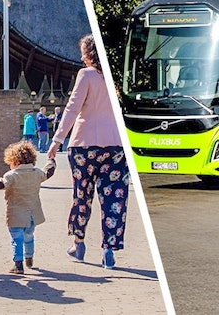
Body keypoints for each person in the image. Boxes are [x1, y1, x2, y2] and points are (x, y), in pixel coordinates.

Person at [47, 34, 128, 270]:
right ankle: (109, 250)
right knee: (114, 198)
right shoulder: (114, 79)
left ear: (90, 53)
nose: (81, 56)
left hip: (84, 145)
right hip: (115, 147)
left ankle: (78, 243)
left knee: (82, 195)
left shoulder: (87, 75)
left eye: (84, 52)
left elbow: (72, 109)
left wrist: (57, 140)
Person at [0, 141, 56, 274]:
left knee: (16, 238)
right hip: (32, 214)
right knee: (29, 236)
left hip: (15, 214)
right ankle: (29, 257)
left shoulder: (11, 176)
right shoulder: (37, 173)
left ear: (14, 161)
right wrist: (51, 160)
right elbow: (49, 172)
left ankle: (18, 264)